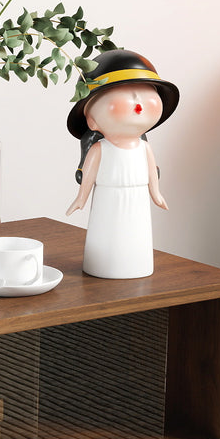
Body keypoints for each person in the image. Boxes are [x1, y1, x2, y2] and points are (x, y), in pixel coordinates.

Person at [66, 50, 179, 279]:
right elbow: (88, 176)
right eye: (126, 95)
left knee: (136, 234)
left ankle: (136, 265)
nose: (138, 102)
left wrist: (156, 193)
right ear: (92, 119)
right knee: (108, 233)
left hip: (137, 199)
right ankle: (102, 265)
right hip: (109, 199)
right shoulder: (100, 149)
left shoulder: (144, 148)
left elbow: (151, 174)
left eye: (145, 93)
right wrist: (81, 197)